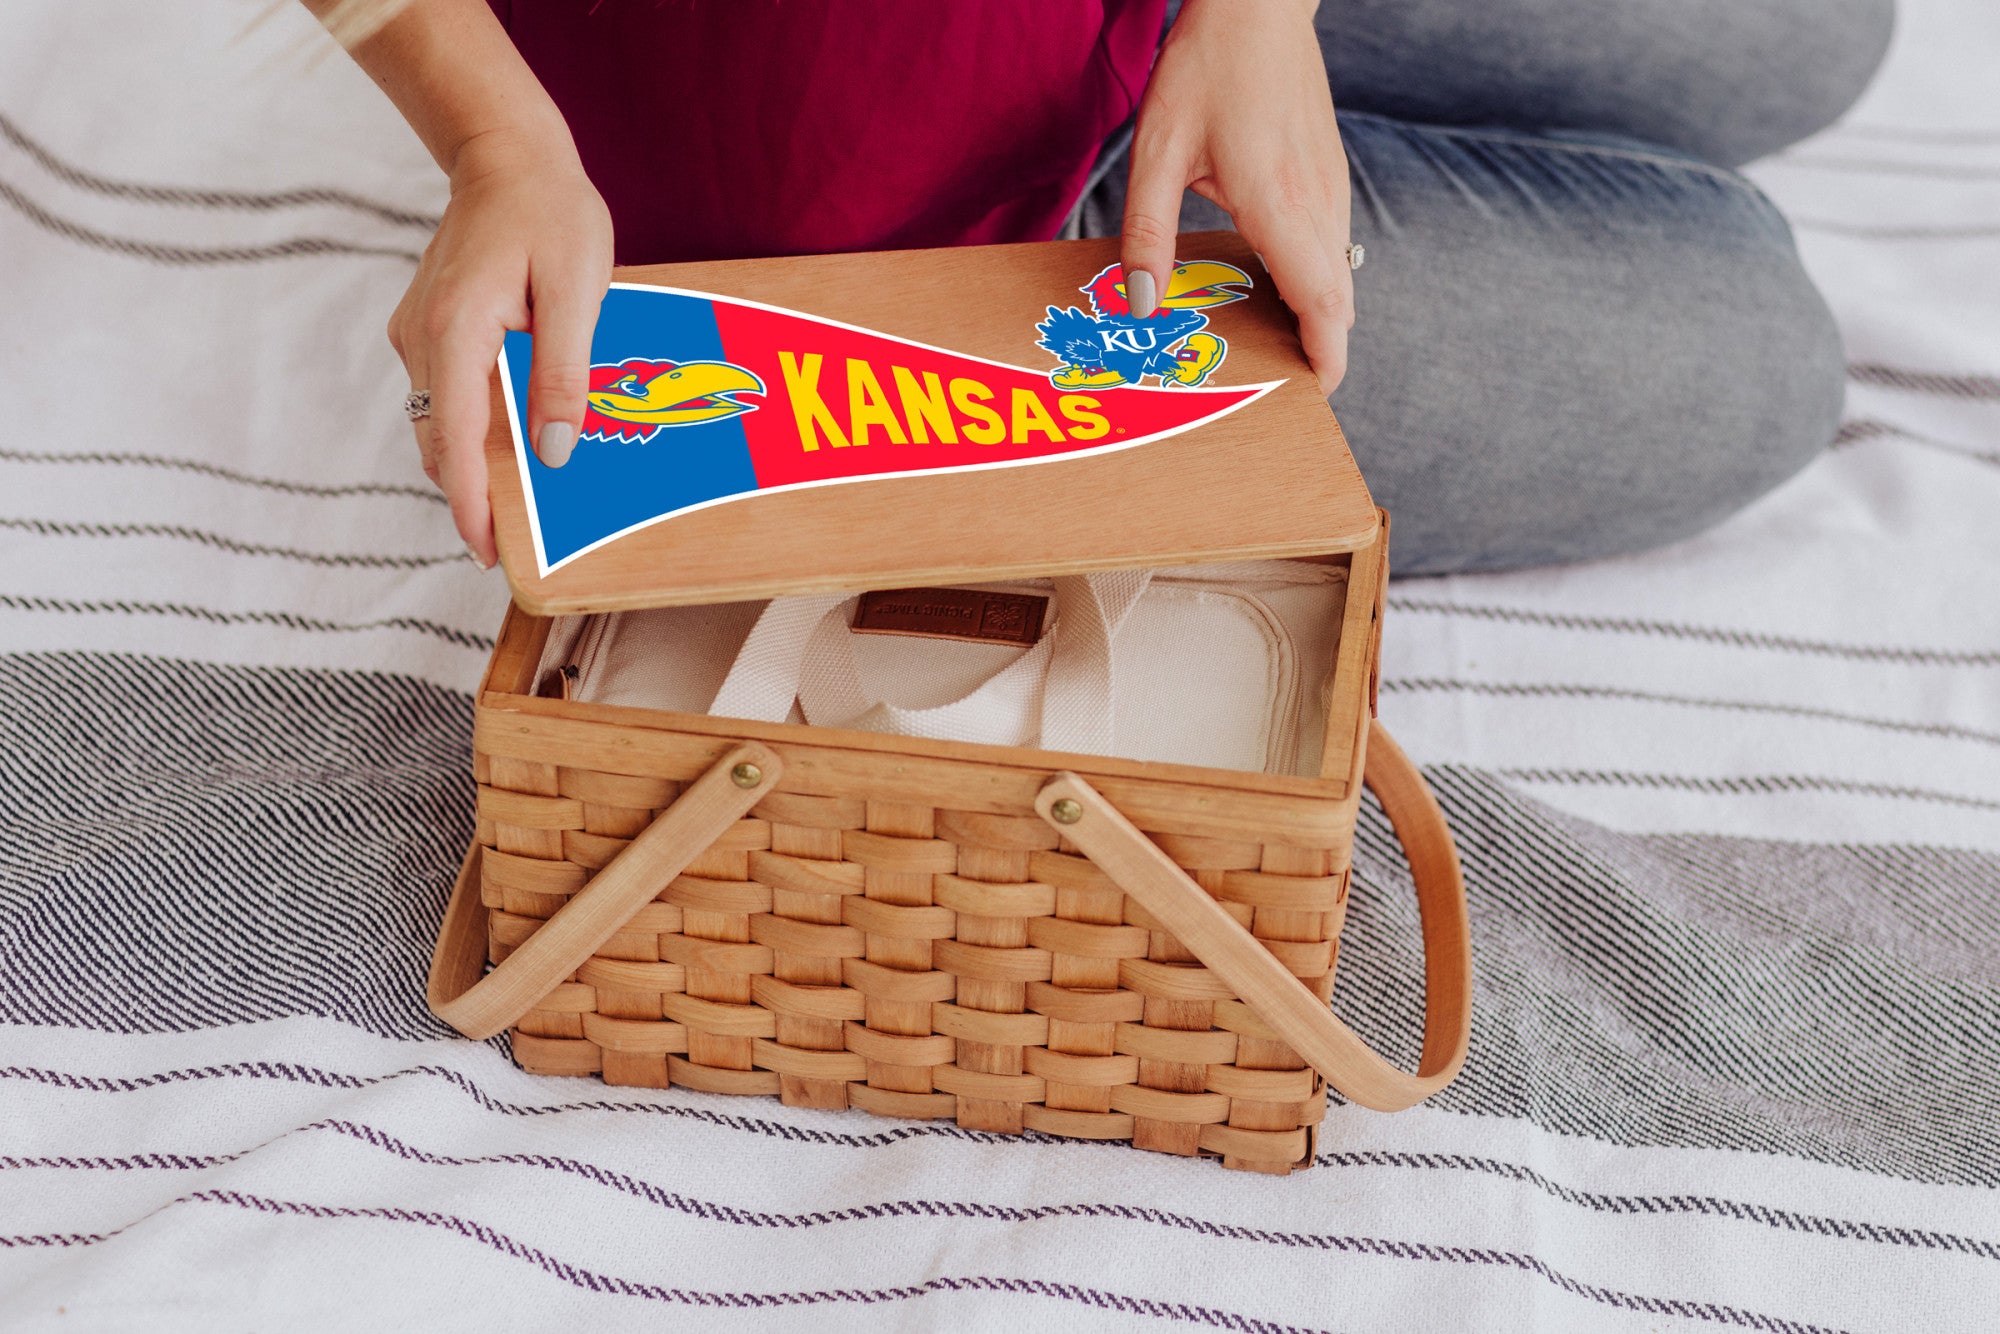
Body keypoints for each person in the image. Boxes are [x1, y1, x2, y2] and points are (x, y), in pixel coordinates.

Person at [312, 0, 1892, 576]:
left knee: (1818, 24)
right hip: (872, 206)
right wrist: (498, 134)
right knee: (1758, 347)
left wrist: (1261, 16)